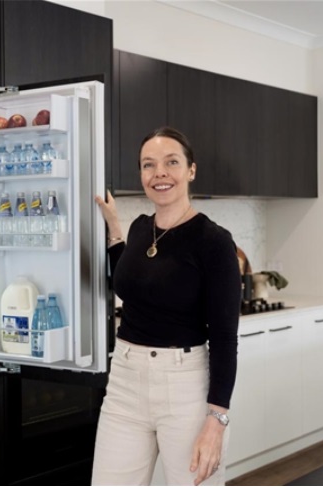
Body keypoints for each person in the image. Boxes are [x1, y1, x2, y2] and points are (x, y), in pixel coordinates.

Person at [92, 126, 241, 486]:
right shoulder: (140, 228)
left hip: (184, 386)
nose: (159, 173)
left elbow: (224, 338)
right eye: (149, 164)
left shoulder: (214, 241)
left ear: (191, 170)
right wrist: (114, 228)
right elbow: (131, 280)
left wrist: (216, 420)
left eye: (171, 162)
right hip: (125, 380)